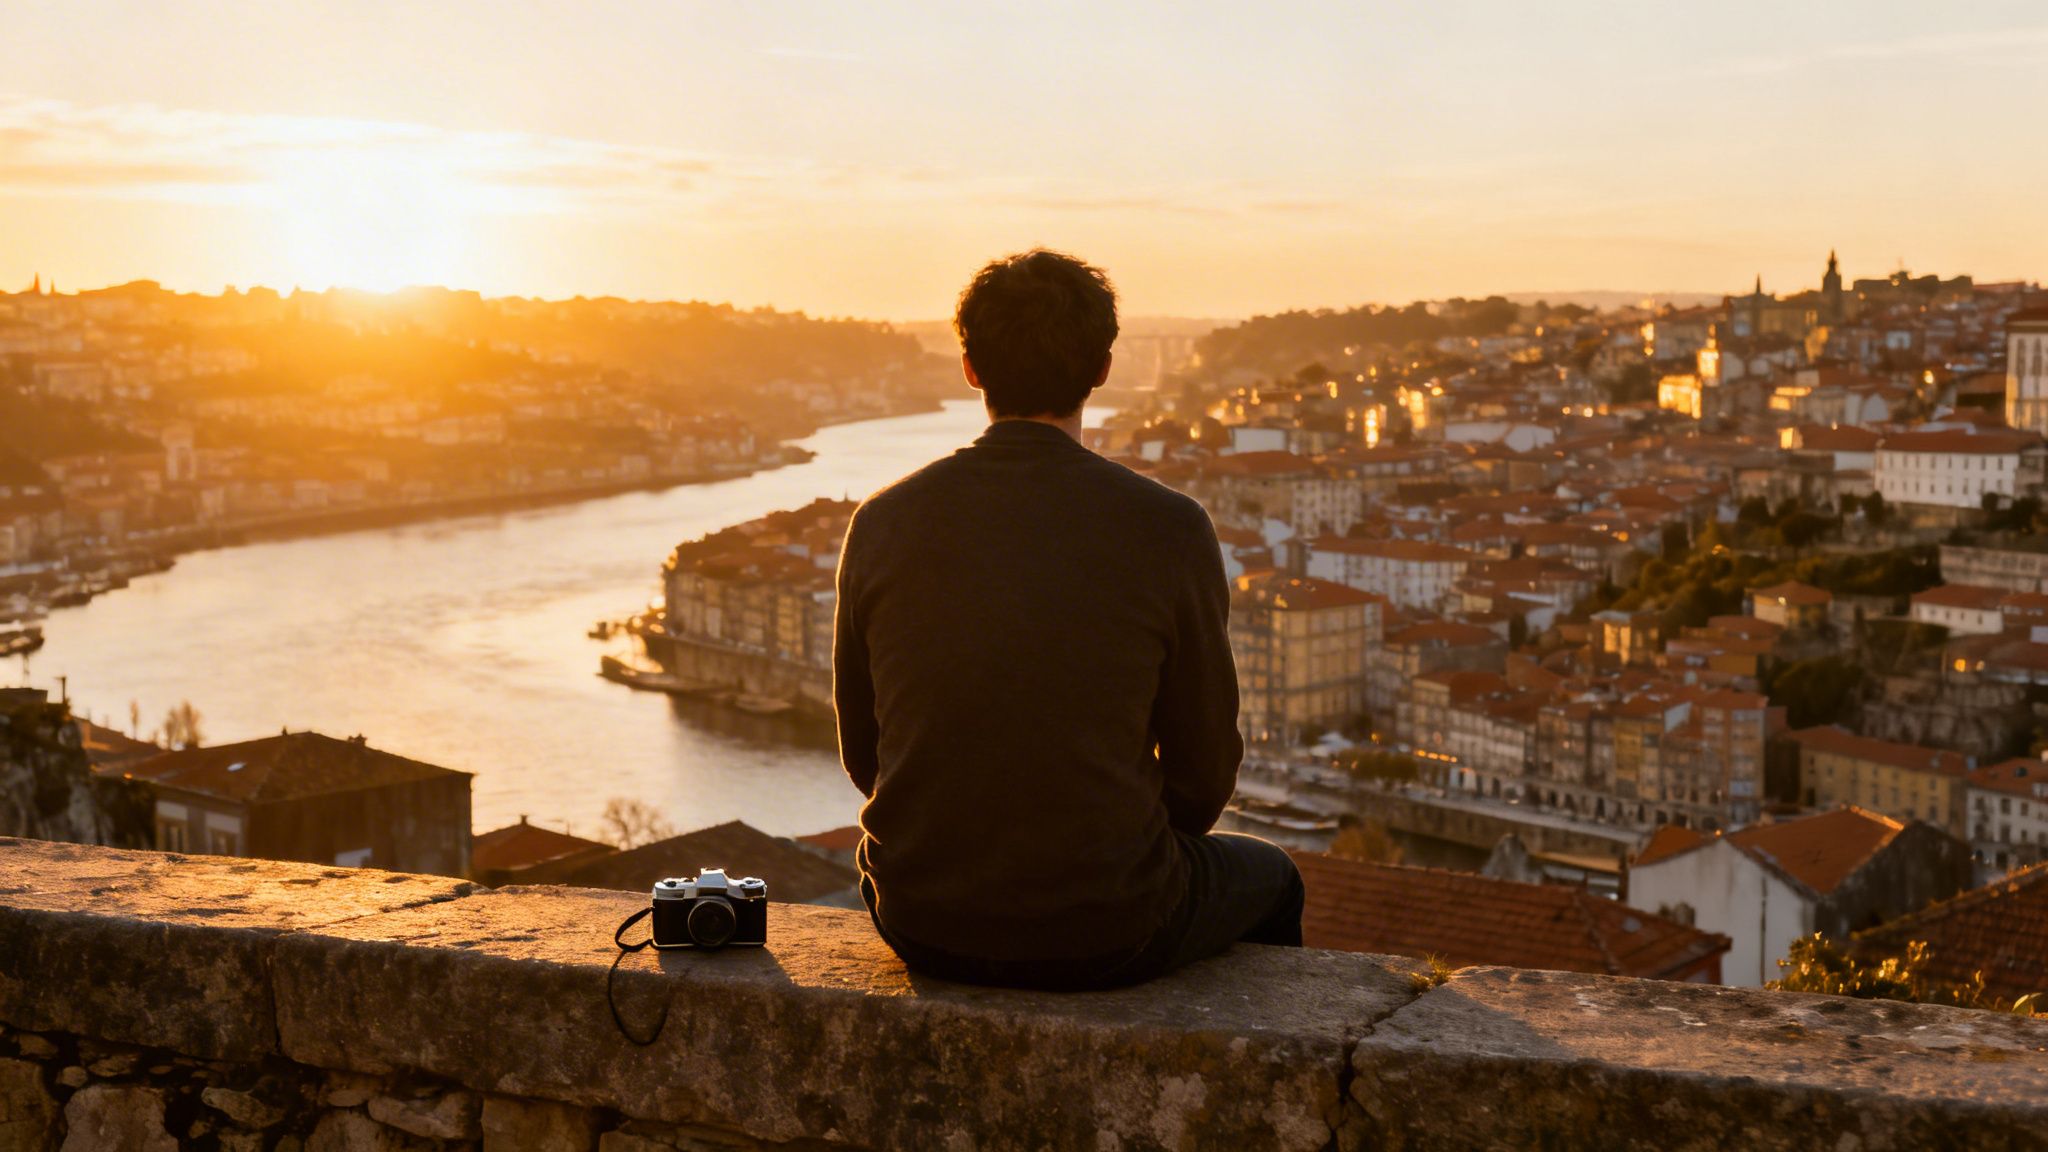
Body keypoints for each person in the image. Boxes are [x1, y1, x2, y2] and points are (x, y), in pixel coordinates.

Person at [834, 248, 1302, 991]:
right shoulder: (1169, 527)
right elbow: (1204, 771)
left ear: (971, 368)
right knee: (1275, 877)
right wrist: (1110, 856)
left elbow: (865, 755)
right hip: (1107, 928)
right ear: (1103, 368)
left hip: (921, 921)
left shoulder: (882, 523)